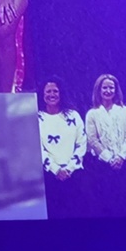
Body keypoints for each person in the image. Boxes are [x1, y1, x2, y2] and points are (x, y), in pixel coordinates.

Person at [85, 73, 126, 216]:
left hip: (125, 164)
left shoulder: (124, 110)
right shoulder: (92, 113)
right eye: (105, 88)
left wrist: (120, 157)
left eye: (111, 88)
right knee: (106, 206)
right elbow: (93, 140)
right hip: (102, 167)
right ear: (99, 90)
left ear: (116, 90)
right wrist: (110, 159)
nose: (108, 91)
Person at [38, 77, 87, 219]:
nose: (52, 94)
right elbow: (38, 148)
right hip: (49, 177)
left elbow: (81, 143)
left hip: (74, 176)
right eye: (48, 91)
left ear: (61, 93)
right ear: (42, 94)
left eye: (55, 91)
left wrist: (69, 168)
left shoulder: (73, 115)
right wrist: (55, 169)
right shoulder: (37, 118)